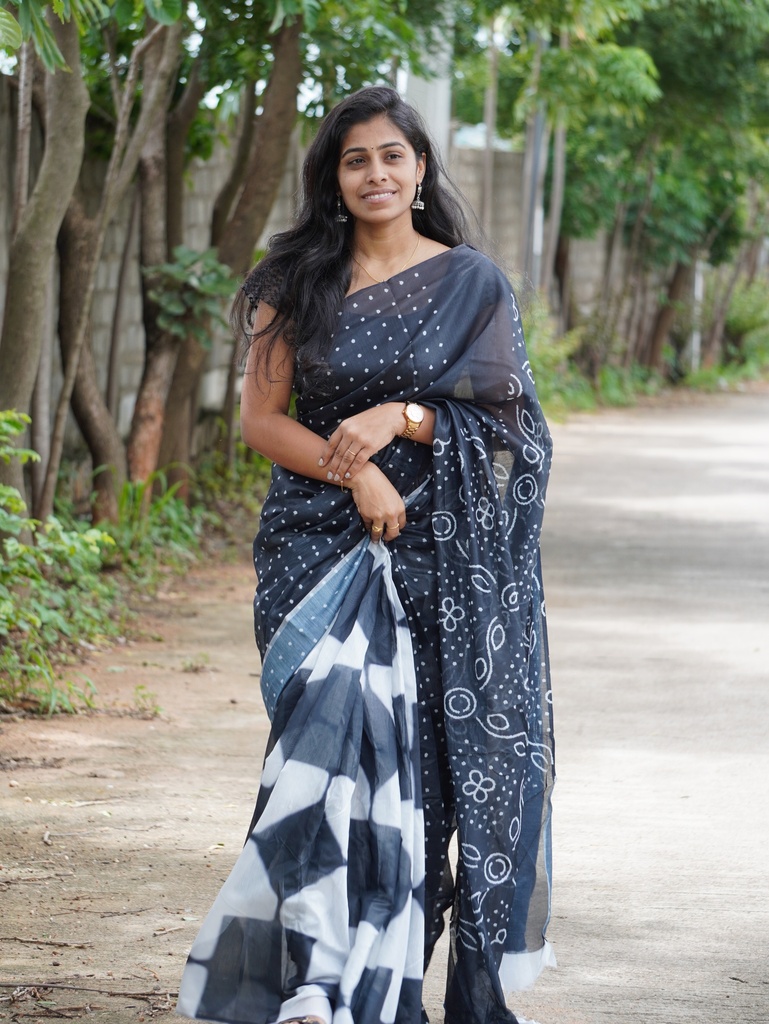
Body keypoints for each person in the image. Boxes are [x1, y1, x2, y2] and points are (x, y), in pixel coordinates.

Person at [177, 85, 555, 1024]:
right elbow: (263, 423)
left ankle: (378, 989)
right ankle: (315, 976)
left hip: (437, 559)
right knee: (323, 749)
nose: (375, 174)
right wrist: (360, 476)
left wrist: (404, 418)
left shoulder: (472, 283)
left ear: (421, 169)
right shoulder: (289, 280)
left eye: (392, 156)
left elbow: (517, 435)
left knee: (418, 774)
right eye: (355, 161)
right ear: (332, 179)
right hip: (314, 549)